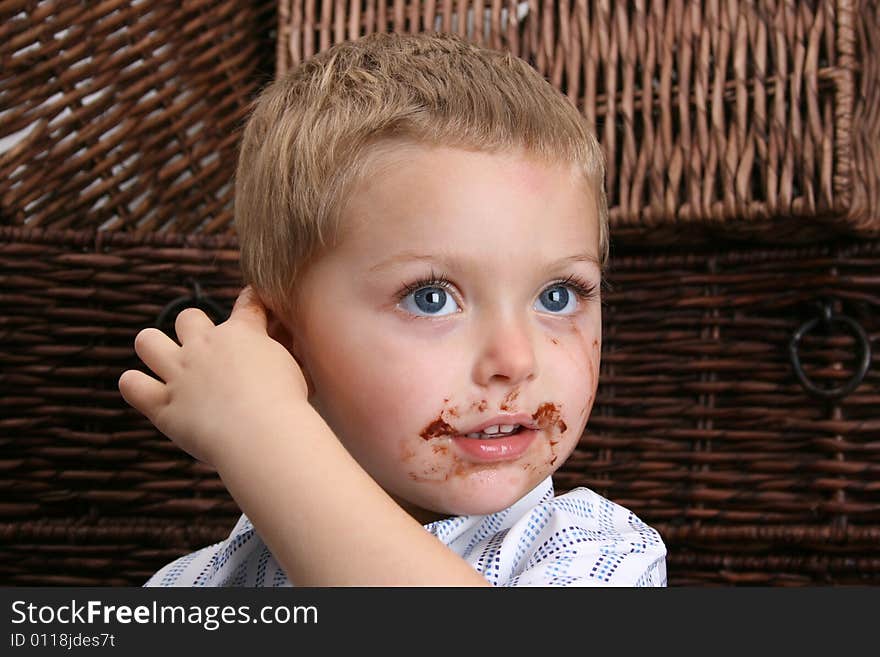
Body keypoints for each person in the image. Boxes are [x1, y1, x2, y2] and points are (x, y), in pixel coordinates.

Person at [118, 31, 667, 586]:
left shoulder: (599, 557)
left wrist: (261, 430)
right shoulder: (193, 586)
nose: (515, 359)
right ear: (284, 348)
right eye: (431, 299)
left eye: (558, 295)